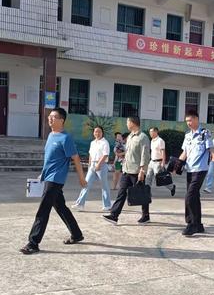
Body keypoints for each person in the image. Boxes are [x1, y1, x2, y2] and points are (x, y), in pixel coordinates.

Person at [21, 107, 87, 254]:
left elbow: (75, 158)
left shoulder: (66, 138)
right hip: (49, 177)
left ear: (61, 120)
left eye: (53, 117)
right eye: (49, 116)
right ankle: (76, 234)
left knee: (43, 210)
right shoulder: (51, 135)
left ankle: (33, 243)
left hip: (56, 179)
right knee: (61, 207)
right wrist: (42, 174)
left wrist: (81, 178)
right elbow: (49, 160)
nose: (50, 119)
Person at [176, 110, 214, 236]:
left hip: (201, 169)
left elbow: (212, 152)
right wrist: (177, 165)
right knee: (194, 197)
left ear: (196, 119)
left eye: (190, 120)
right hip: (190, 170)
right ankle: (199, 224)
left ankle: (191, 224)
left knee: (189, 197)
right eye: (186, 121)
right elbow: (184, 153)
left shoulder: (204, 133)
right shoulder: (187, 135)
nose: (188, 123)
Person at [103, 117, 151, 225]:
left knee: (141, 194)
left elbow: (145, 155)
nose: (127, 124)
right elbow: (128, 153)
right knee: (121, 193)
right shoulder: (129, 137)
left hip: (137, 171)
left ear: (133, 123)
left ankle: (146, 215)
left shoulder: (143, 137)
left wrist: (142, 171)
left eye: (127, 122)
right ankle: (114, 216)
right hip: (126, 169)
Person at [72, 126, 111, 211]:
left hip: (102, 165)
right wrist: (90, 165)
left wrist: (98, 165)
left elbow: (105, 155)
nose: (97, 133)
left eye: (99, 131)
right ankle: (80, 204)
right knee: (86, 184)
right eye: (95, 132)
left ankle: (107, 205)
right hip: (92, 165)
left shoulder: (105, 142)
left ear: (102, 133)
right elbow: (90, 154)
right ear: (93, 133)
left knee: (104, 185)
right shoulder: (93, 142)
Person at [146, 127, 176, 196]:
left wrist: (163, 162)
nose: (150, 133)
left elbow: (163, 152)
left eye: (152, 132)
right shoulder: (152, 141)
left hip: (158, 163)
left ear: (156, 132)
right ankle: (147, 192)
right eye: (150, 132)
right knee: (148, 178)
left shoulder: (160, 141)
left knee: (160, 179)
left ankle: (171, 187)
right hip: (151, 162)